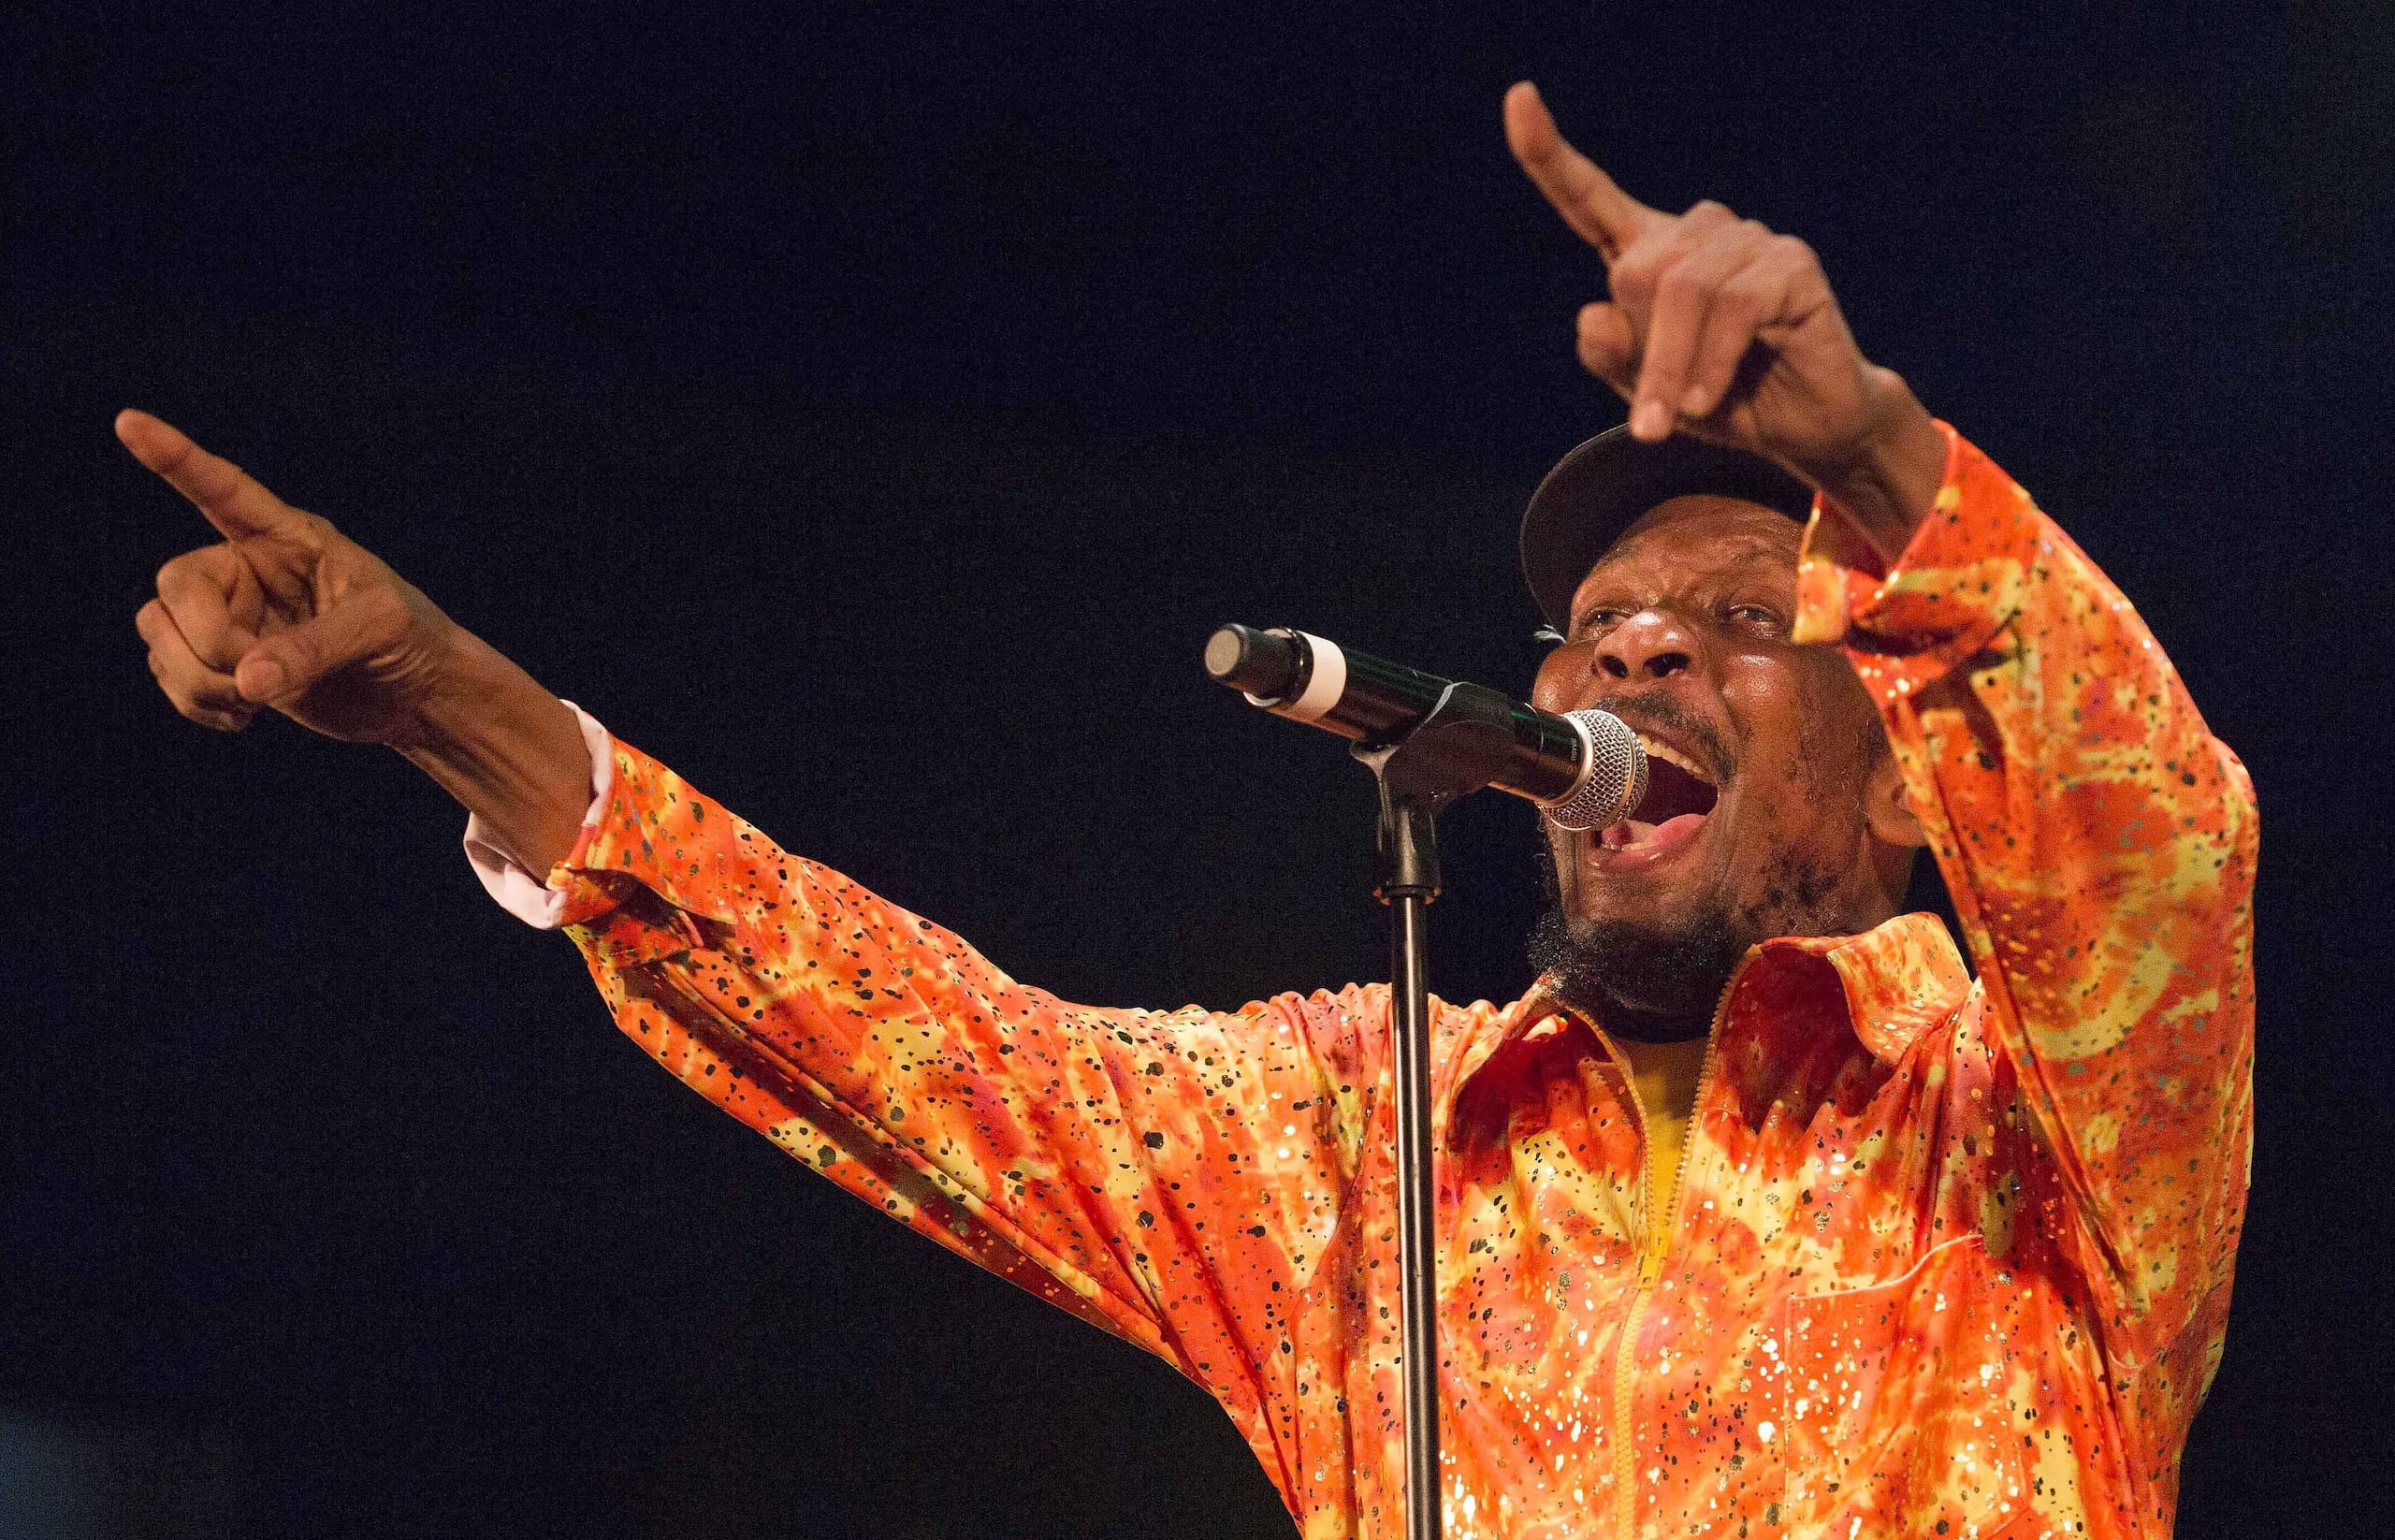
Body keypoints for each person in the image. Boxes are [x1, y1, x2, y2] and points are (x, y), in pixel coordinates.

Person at [123, 82, 2254, 1540]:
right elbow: (917, 1047)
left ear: (1905, 791)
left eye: (1730, 620)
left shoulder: (2032, 1133)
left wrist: (1877, 453)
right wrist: (449, 709)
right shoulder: (1364, 1148)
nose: (1629, 654)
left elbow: (2151, 839)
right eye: (1589, 626)